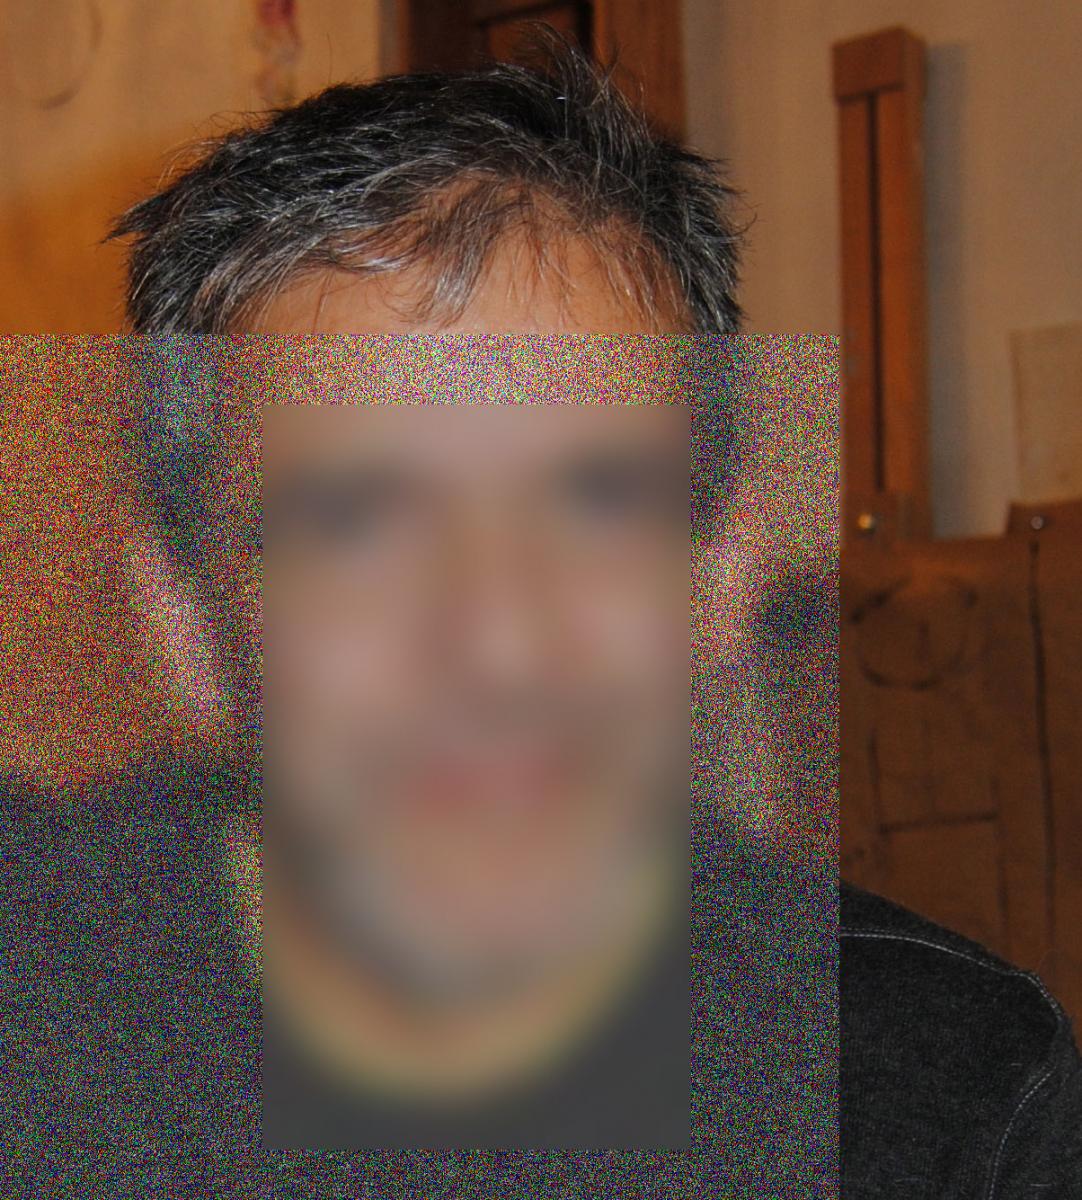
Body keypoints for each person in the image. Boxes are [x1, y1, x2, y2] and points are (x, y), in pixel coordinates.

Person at [4, 27, 1079, 1197]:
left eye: (595, 502)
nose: (499, 647)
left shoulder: (953, 1102)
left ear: (721, 572)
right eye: (354, 523)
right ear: (181, 624)